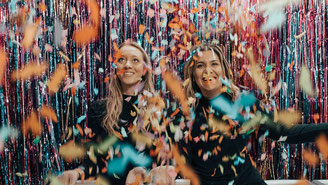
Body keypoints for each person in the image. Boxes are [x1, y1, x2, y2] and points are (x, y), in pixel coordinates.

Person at [180, 43, 328, 185]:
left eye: (214, 64)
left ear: (223, 71)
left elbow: (283, 132)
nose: (208, 70)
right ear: (193, 75)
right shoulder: (184, 113)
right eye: (200, 65)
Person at [56, 41, 174, 185]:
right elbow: (92, 162)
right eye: (121, 59)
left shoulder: (160, 109)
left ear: (145, 69)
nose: (127, 65)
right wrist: (76, 172)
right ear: (115, 68)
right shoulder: (98, 109)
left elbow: (168, 161)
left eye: (135, 60)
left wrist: (154, 171)